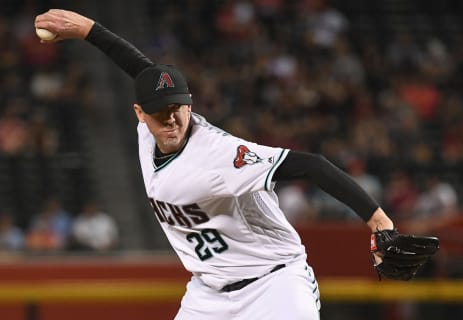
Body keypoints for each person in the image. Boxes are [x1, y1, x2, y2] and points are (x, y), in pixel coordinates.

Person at [34, 9, 396, 319]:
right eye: (160, 113)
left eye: (177, 109)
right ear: (140, 114)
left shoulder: (220, 155)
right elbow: (144, 71)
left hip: (274, 284)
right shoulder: (149, 133)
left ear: (189, 105)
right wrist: (89, 31)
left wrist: (378, 221)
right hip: (207, 293)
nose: (171, 120)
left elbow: (311, 165)